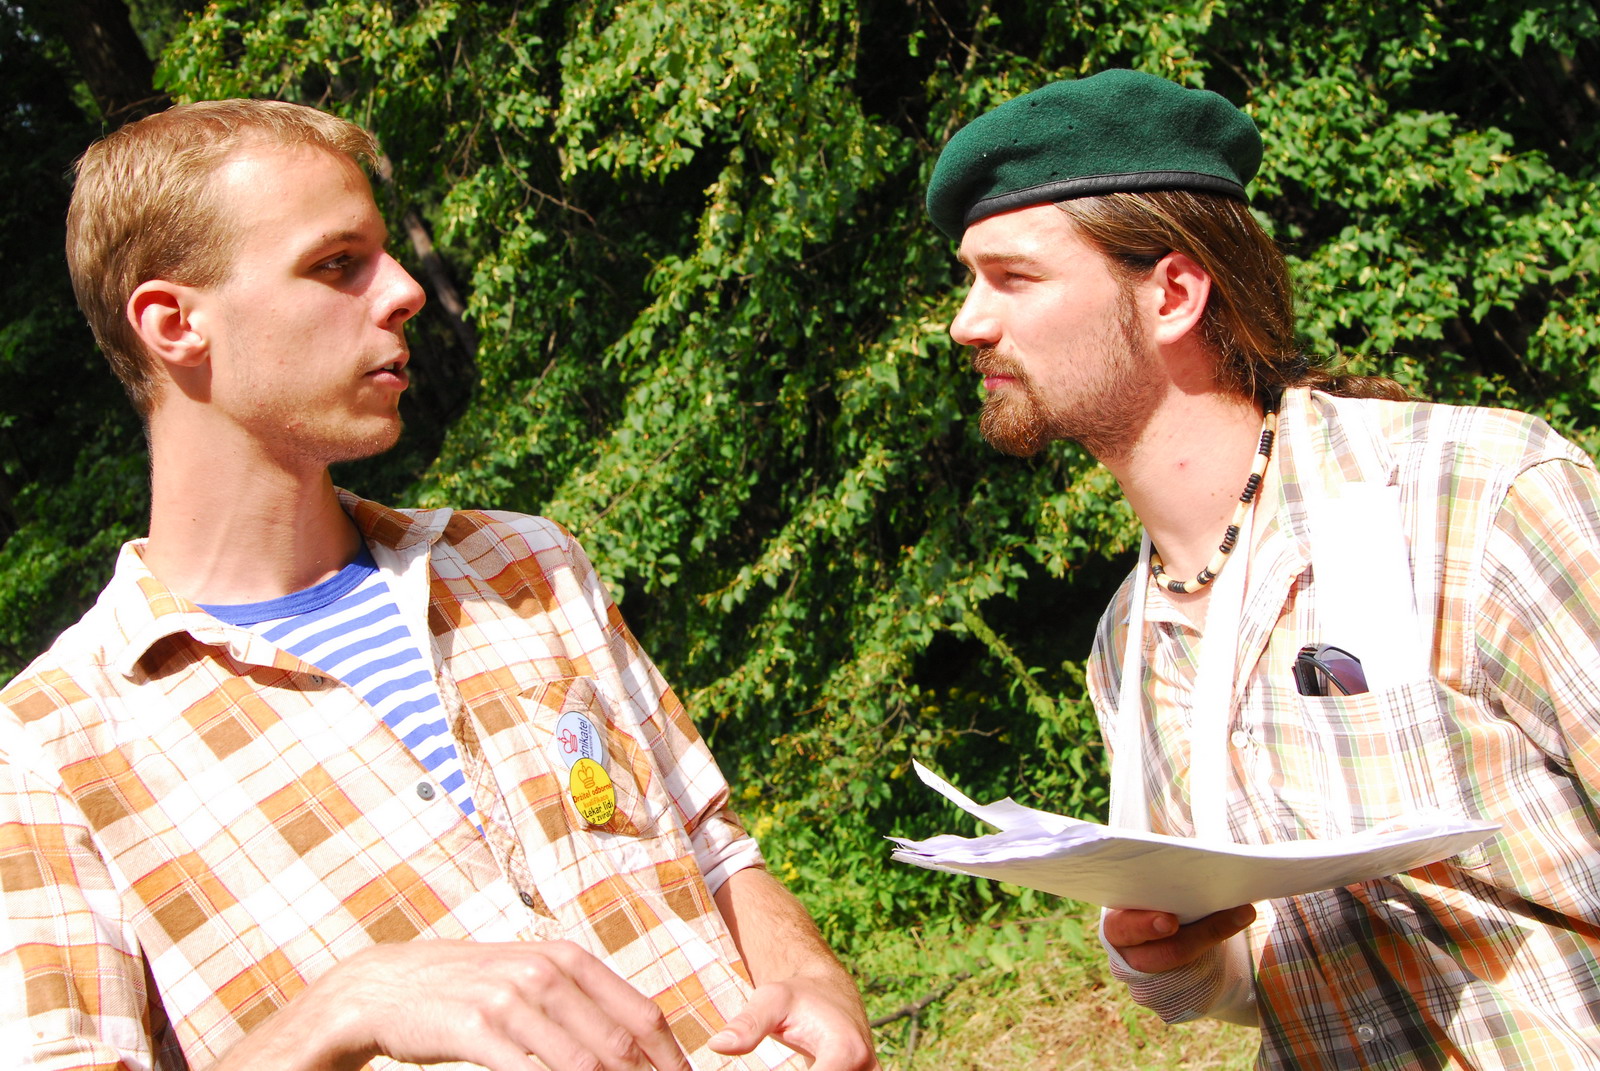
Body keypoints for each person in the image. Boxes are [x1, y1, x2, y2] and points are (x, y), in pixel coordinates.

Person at [0, 98, 877, 1071]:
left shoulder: (526, 565)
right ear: (174, 324)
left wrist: (810, 978)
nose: (406, 290)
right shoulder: (45, 750)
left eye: (384, 253)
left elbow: (715, 849)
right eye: (337, 264)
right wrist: (347, 1005)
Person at [924, 68, 1600, 1069]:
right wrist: (1171, 954)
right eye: (970, 280)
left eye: (1013, 277)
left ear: (1173, 294)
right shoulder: (1131, 643)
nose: (966, 322)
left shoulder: (1475, 497)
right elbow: (1273, 970)